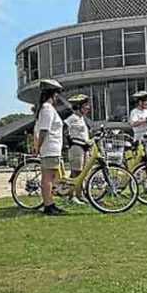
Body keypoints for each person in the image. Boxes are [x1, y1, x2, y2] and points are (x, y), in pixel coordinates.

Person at [32, 79, 67, 216]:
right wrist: (38, 147)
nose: (57, 97)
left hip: (52, 147)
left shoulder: (47, 109)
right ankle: (48, 205)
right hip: (50, 147)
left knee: (50, 177)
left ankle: (50, 203)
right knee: (48, 178)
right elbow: (44, 130)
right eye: (56, 94)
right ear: (52, 94)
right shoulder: (47, 109)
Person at [64, 94, 92, 205]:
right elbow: (63, 127)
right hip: (76, 147)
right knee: (76, 172)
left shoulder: (81, 119)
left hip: (84, 147)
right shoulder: (72, 118)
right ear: (79, 106)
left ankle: (79, 195)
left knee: (83, 172)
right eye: (86, 105)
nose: (88, 107)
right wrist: (68, 140)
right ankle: (72, 196)